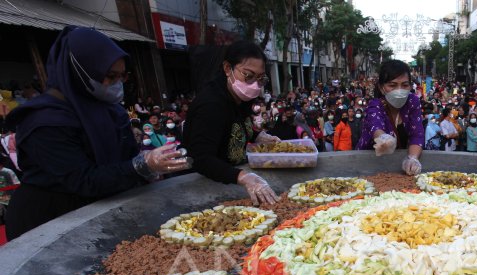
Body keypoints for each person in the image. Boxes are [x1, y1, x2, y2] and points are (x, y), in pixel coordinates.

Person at [3, 26, 187, 239]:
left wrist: (150, 165)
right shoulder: (46, 122)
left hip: (103, 212)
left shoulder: (109, 111)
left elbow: (125, 158)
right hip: (51, 222)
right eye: (110, 76)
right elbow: (84, 180)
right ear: (80, 71)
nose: (117, 84)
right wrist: (141, 166)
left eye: (122, 76)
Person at [183, 40, 278, 206]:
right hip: (208, 185)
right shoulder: (211, 104)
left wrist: (257, 136)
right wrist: (243, 177)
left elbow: (234, 127)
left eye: (259, 78)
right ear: (228, 68)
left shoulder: (241, 97)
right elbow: (200, 158)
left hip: (233, 178)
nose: (254, 85)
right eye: (248, 76)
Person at [356, 59, 424, 176]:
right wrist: (383, 138)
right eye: (392, 85)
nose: (399, 90)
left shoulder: (413, 101)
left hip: (400, 167)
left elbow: (417, 134)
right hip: (369, 164)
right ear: (382, 87)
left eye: (405, 85)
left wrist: (413, 158)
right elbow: (375, 126)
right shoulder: (375, 105)